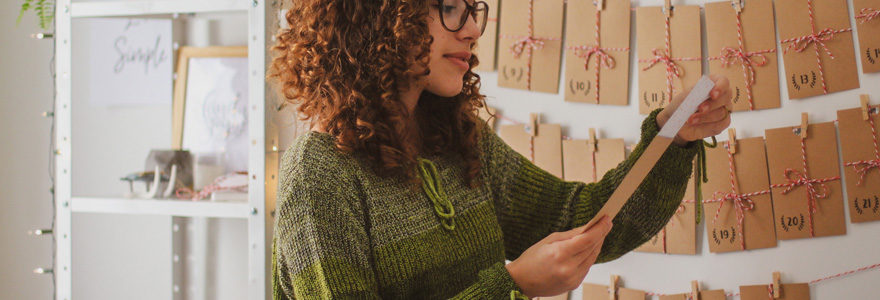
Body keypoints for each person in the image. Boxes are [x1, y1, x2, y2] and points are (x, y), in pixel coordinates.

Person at [268, 0, 732, 299]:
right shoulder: (319, 175)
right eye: (450, 7)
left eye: (474, 9)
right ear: (379, 14)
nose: (472, 29)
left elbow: (587, 221)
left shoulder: (459, 142)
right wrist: (512, 286)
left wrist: (671, 137)